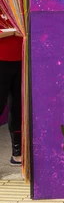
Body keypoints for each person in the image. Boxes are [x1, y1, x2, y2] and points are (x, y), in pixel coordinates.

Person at [0, 9, 23, 166]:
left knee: (17, 108)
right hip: (1, 61)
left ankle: (17, 153)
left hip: (22, 61)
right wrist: (15, 31)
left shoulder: (19, 3)